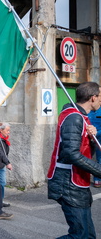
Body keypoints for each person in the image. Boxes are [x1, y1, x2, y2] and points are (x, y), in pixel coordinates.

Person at [48, 82, 101, 238]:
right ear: (93, 98)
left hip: (77, 181)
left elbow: (83, 148)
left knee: (88, 235)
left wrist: (92, 137)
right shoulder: (74, 117)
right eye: (100, 97)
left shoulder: (82, 117)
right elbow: (71, 153)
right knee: (81, 236)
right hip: (68, 182)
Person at [88, 107, 101, 187]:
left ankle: (97, 179)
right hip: (87, 137)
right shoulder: (87, 109)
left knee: (99, 159)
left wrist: (97, 133)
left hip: (99, 137)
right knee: (86, 158)